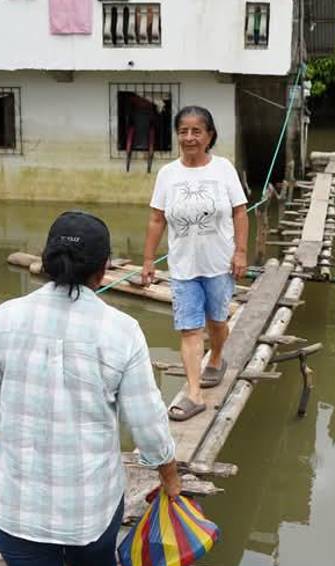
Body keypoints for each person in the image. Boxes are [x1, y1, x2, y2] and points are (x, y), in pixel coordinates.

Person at [0, 211, 182, 566]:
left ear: (45, 261)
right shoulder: (121, 331)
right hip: (90, 512)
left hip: (15, 511)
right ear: (103, 270)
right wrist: (168, 472)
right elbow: (147, 423)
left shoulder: (3, 319)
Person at [140, 106, 248, 421]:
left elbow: (240, 212)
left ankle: (216, 357)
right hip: (183, 267)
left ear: (209, 135)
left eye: (196, 131)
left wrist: (240, 252)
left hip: (218, 264)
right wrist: (148, 259)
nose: (189, 137)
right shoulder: (168, 174)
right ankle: (194, 393)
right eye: (183, 131)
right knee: (189, 329)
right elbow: (156, 218)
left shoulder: (223, 169)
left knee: (217, 322)